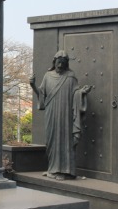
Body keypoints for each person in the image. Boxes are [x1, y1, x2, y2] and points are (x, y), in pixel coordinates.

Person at [33, 50, 93, 180]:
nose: (60, 66)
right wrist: (32, 85)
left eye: (63, 63)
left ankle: (64, 171)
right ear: (54, 62)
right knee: (51, 141)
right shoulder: (47, 76)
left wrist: (82, 92)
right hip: (51, 112)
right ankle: (52, 169)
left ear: (66, 64)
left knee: (65, 141)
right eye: (58, 62)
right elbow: (42, 94)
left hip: (65, 114)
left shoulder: (70, 77)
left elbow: (75, 93)